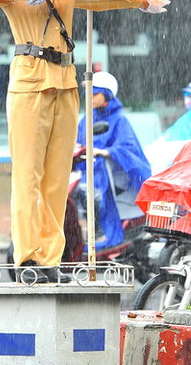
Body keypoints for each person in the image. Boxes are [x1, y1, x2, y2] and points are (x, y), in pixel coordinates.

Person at [0, 0, 169, 282]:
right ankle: (26, 257)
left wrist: (141, 3)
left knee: (57, 179)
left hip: (64, 84)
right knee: (27, 176)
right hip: (28, 84)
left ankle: (50, 259)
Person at [71, 72, 151, 252]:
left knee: (95, 193)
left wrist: (107, 152)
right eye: (88, 93)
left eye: (94, 93)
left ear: (107, 94)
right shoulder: (86, 119)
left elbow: (128, 147)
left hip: (112, 173)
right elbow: (76, 140)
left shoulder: (120, 120)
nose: (88, 97)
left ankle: (101, 233)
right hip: (87, 171)